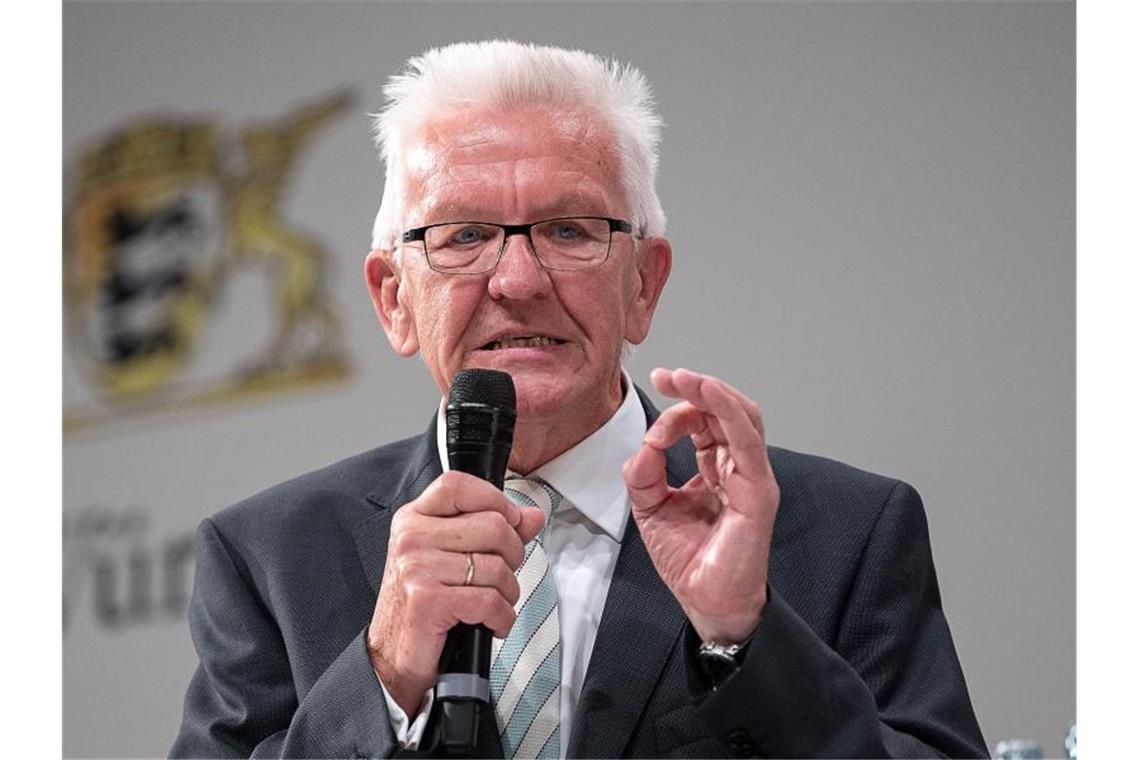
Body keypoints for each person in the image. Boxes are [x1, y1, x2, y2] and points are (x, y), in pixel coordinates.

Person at [171, 41, 987, 759]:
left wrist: (747, 639)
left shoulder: (842, 535)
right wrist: (382, 677)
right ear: (392, 299)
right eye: (462, 236)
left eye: (569, 231)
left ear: (644, 283)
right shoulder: (271, 560)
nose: (518, 281)